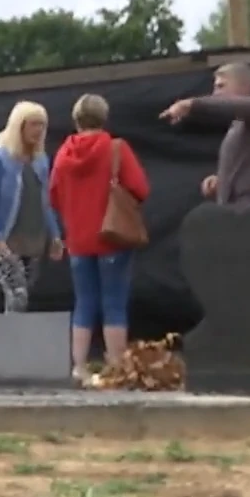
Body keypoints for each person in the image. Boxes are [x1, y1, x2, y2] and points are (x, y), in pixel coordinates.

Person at [48, 93, 150, 380]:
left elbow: (53, 197)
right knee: (114, 302)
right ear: (104, 117)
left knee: (84, 301)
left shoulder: (63, 155)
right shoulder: (117, 148)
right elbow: (141, 189)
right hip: (112, 237)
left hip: (78, 241)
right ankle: (116, 367)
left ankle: (79, 367)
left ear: (76, 119)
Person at [0, 101, 65, 312]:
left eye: (42, 125)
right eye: (33, 124)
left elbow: (46, 200)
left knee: (24, 296)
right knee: (17, 294)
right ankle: (10, 342)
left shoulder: (40, 160)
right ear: (19, 125)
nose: (38, 130)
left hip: (34, 237)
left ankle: (14, 340)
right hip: (6, 237)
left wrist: (55, 235)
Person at [159, 61, 250, 205]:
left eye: (221, 86)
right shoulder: (239, 124)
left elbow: (242, 106)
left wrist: (189, 104)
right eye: (215, 87)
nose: (215, 94)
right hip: (236, 212)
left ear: (245, 87)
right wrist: (222, 181)